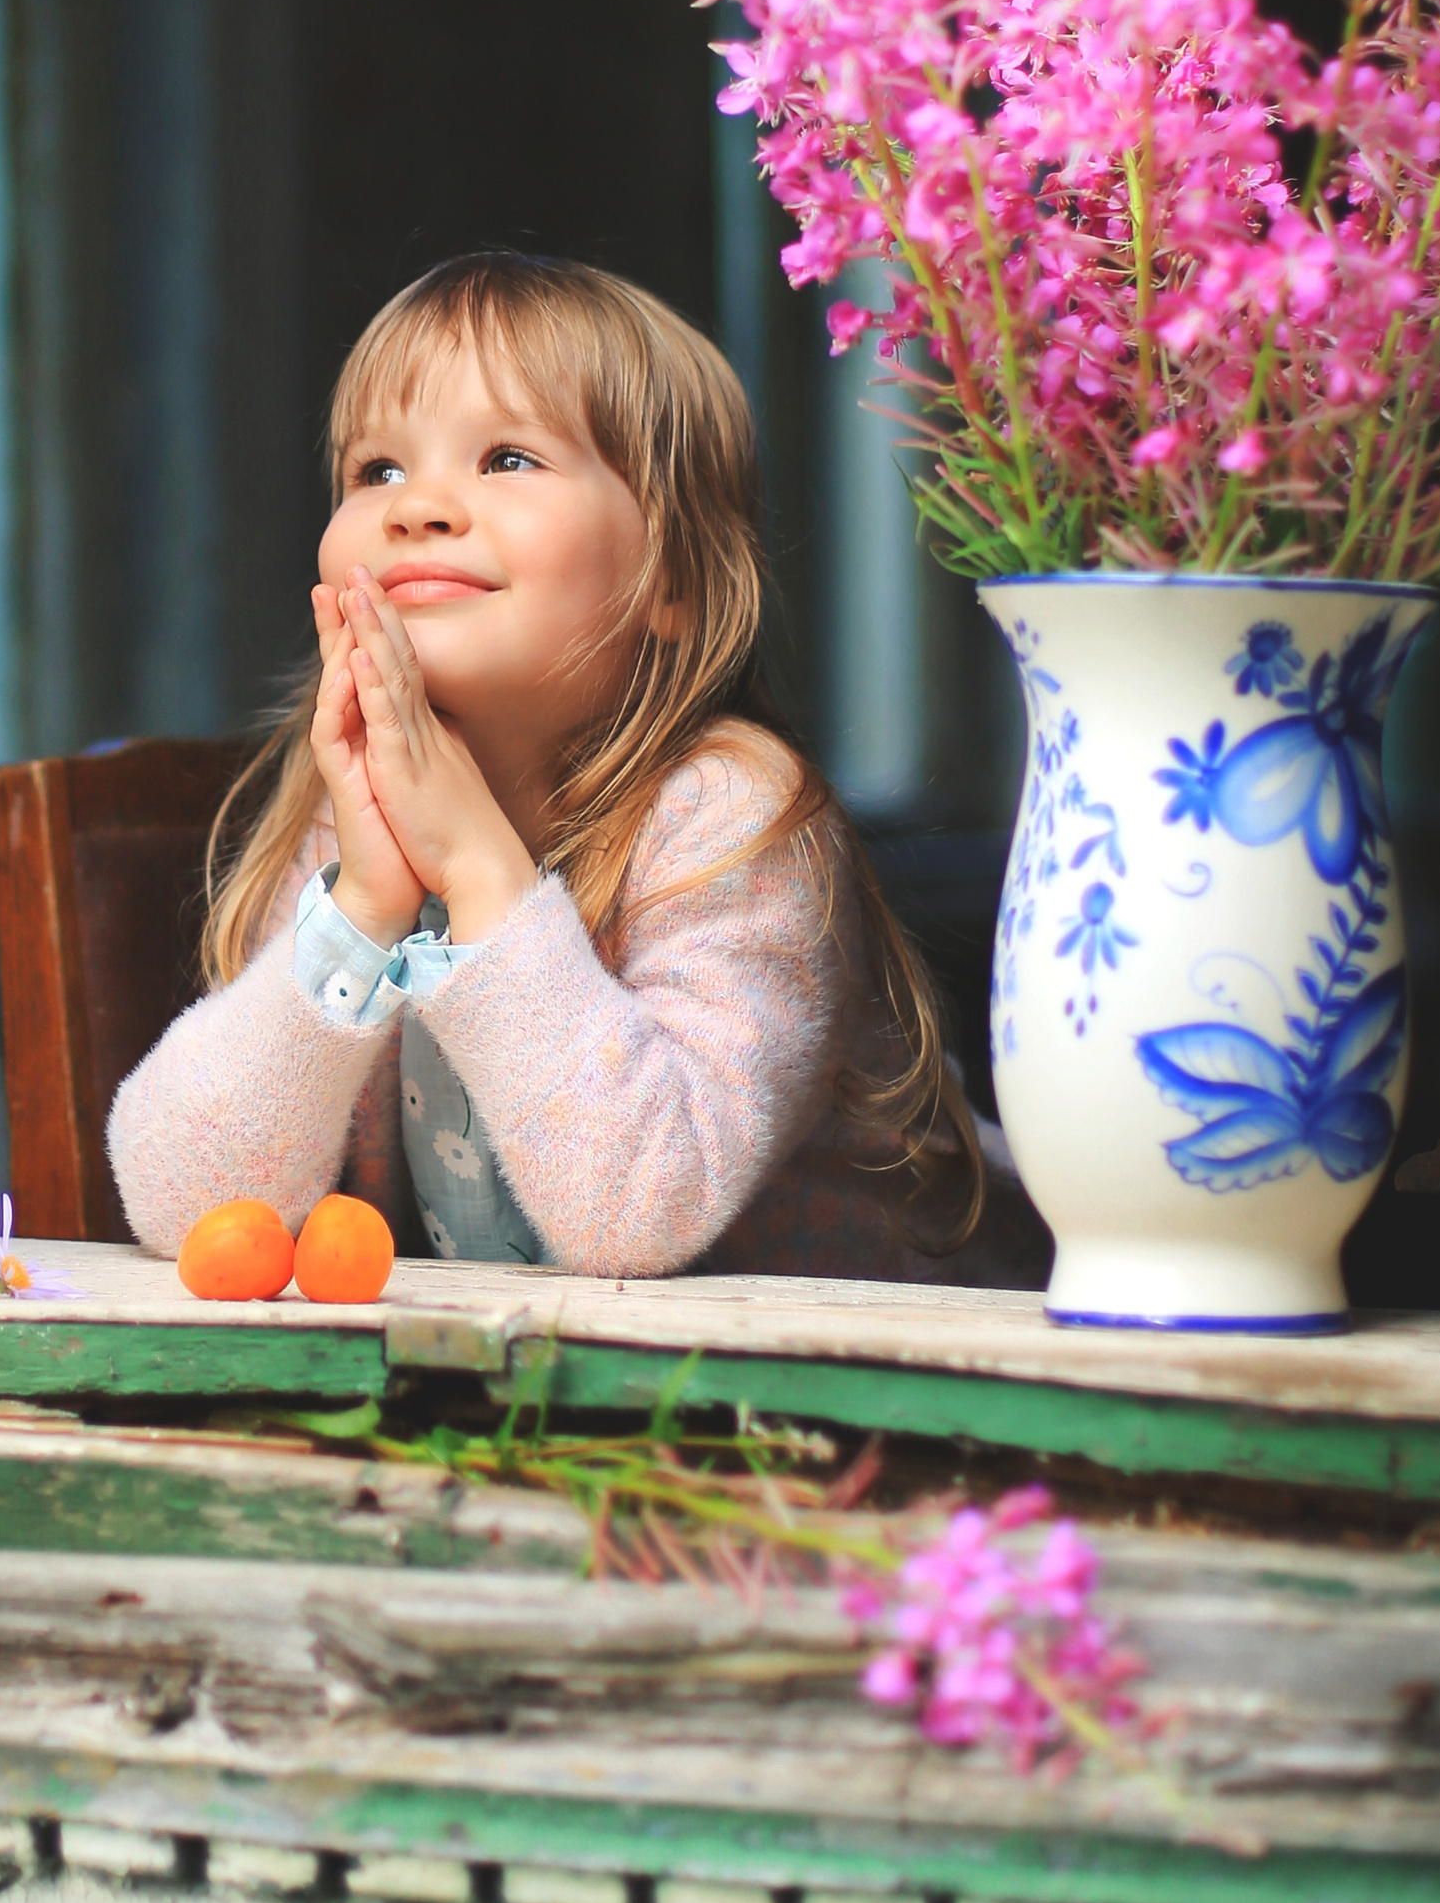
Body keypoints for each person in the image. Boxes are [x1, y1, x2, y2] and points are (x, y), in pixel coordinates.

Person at [106, 250, 991, 1278]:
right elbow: (186, 1208)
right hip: (545, 1410)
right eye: (375, 470)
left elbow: (638, 1211)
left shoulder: (730, 820)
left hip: (873, 1411)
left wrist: (480, 871)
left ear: (677, 583)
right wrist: (362, 905)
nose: (416, 506)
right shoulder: (354, 823)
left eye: (508, 458)